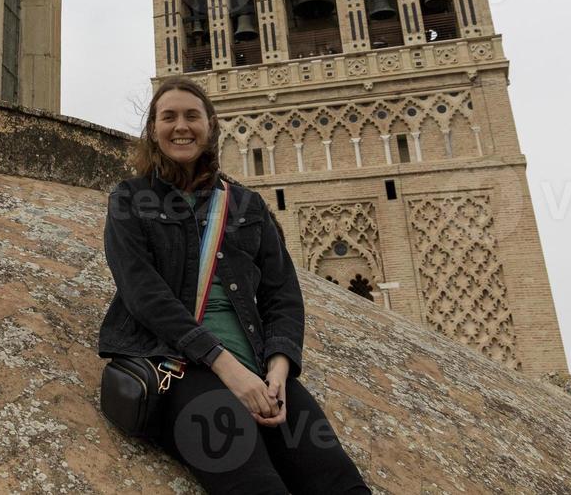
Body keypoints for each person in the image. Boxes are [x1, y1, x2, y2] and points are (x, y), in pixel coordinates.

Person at [98, 77, 370, 494]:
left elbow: (283, 295)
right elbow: (143, 295)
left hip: (260, 371)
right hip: (181, 367)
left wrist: (278, 369)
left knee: (338, 480)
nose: (181, 126)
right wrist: (229, 370)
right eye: (168, 117)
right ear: (153, 130)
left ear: (211, 125)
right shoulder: (130, 200)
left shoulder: (246, 204)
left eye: (192, 116)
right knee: (254, 485)